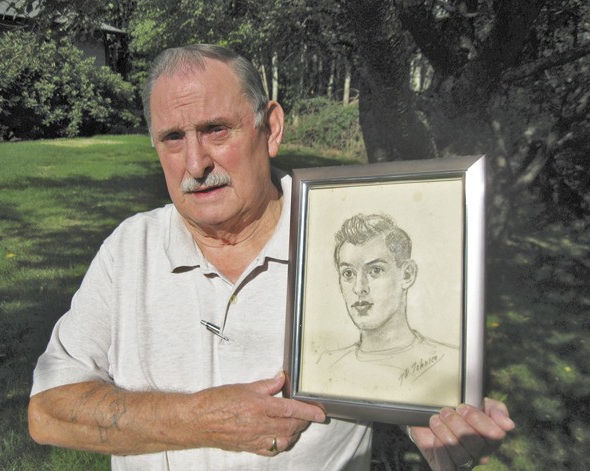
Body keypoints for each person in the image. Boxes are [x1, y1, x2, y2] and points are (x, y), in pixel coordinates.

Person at [28, 44, 514, 471]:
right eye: (173, 138)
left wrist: (444, 432)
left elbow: (411, 381)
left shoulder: (336, 245)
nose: (195, 164)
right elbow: (47, 411)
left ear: (271, 127)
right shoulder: (129, 249)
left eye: (216, 130)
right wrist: (200, 420)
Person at [316, 212, 460, 407]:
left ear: (407, 275)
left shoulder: (451, 362)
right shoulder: (324, 367)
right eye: (348, 273)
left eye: (375, 270)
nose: (359, 288)